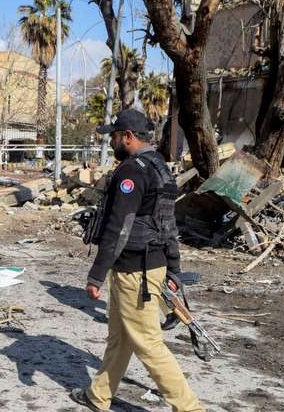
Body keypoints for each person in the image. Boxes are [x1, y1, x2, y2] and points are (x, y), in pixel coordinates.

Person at [70, 109, 205, 412]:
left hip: (135, 273)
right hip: (146, 267)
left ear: (128, 137)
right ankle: (98, 396)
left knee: (148, 344)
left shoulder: (132, 171)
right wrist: (174, 267)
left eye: (115, 136)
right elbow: (169, 225)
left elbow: (120, 226)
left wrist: (95, 275)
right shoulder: (160, 167)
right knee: (119, 338)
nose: (113, 142)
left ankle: (190, 408)